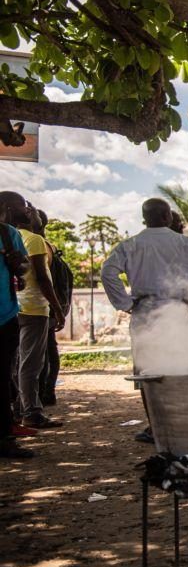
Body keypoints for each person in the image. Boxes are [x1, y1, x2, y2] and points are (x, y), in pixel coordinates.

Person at [101, 198, 188, 442]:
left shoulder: (131, 245)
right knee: (181, 368)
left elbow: (107, 271)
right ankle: (183, 424)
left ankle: (156, 427)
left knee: (148, 371)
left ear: (144, 219)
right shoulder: (186, 243)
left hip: (144, 312)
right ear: (167, 217)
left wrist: (126, 303)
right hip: (177, 311)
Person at [10, 201, 65, 429]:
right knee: (31, 364)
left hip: (14, 308)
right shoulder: (34, 240)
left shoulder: (10, 236)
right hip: (34, 309)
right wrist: (58, 309)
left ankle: (18, 409)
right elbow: (42, 278)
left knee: (16, 362)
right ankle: (31, 412)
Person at [0, 192, 33, 458]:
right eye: (21, 206)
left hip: (5, 314)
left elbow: (24, 268)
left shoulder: (8, 233)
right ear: (6, 207)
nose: (26, 210)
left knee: (3, 377)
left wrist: (16, 264)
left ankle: (4, 438)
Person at [33, 210, 71, 408]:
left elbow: (43, 280)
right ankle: (46, 393)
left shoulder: (39, 245)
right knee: (47, 350)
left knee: (43, 352)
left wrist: (56, 308)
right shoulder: (49, 245)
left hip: (41, 307)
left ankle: (44, 393)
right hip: (45, 307)